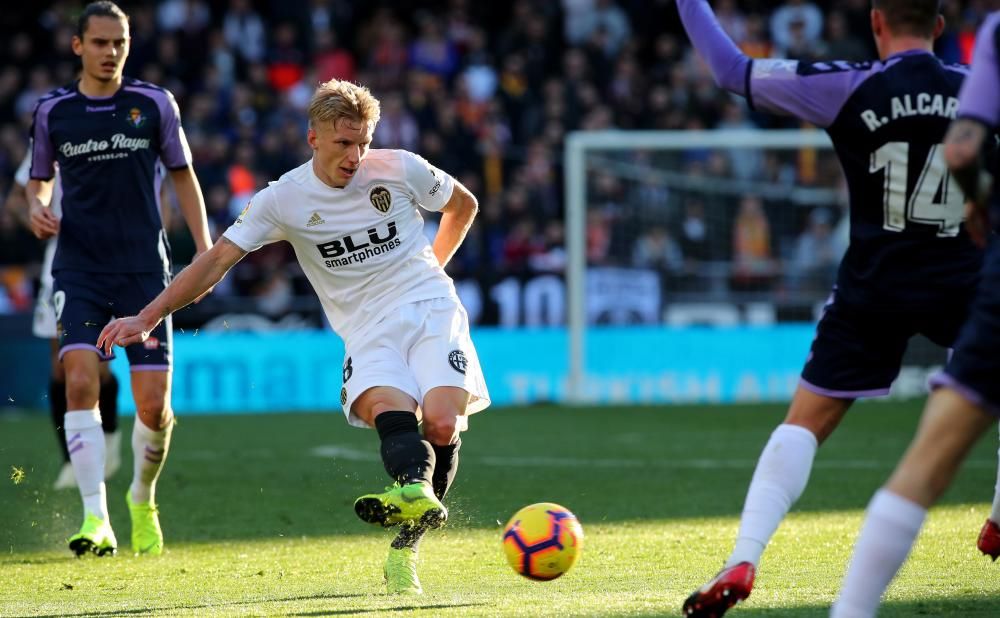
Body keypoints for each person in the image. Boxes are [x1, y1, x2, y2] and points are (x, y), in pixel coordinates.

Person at [97, 78, 490, 595]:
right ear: (314, 138)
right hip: (366, 329)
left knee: (439, 423)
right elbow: (216, 259)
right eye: (344, 143)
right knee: (389, 413)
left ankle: (406, 546)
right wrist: (147, 317)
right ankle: (413, 487)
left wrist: (432, 267)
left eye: (364, 142)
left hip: (431, 308)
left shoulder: (398, 167)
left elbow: (463, 205)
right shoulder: (283, 199)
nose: (356, 155)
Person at [674, 2, 982, 616]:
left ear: (876, 23)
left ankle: (745, 554)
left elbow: (730, 69)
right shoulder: (978, 88)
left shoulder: (850, 84)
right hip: (966, 279)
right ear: (940, 27)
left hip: (874, 286)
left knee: (804, 423)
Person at [26, 1, 212, 557]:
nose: (110, 53)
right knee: (80, 380)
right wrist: (35, 207)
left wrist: (206, 251)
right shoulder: (52, 111)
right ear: (78, 46)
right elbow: (36, 180)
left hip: (144, 274)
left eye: (119, 43)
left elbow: (183, 175)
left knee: (153, 405)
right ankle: (95, 518)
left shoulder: (153, 104)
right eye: (100, 42)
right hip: (78, 268)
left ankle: (141, 497)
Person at [832, 12, 1000, 616]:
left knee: (926, 465)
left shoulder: (996, 36)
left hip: (977, 277)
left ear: (877, 21)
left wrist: (981, 206)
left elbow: (960, 151)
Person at [7, 151, 122, 491]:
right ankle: (71, 460)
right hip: (58, 266)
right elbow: (16, 198)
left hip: (110, 265)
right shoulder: (49, 137)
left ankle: (111, 437)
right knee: (61, 370)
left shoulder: (115, 139)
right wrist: (34, 214)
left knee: (98, 369)